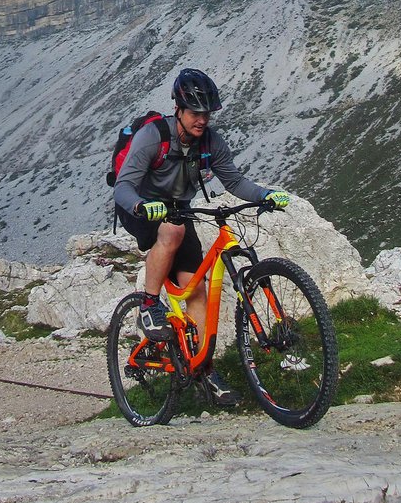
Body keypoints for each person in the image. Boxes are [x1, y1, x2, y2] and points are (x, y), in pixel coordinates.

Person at [113, 68, 289, 406]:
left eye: (207, 114)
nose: (202, 120)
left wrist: (265, 194)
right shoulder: (153, 136)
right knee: (173, 229)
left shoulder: (211, 141)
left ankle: (203, 370)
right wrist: (140, 207)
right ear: (179, 108)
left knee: (197, 288)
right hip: (140, 206)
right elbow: (123, 186)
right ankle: (149, 305)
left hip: (178, 208)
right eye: (196, 113)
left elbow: (234, 182)